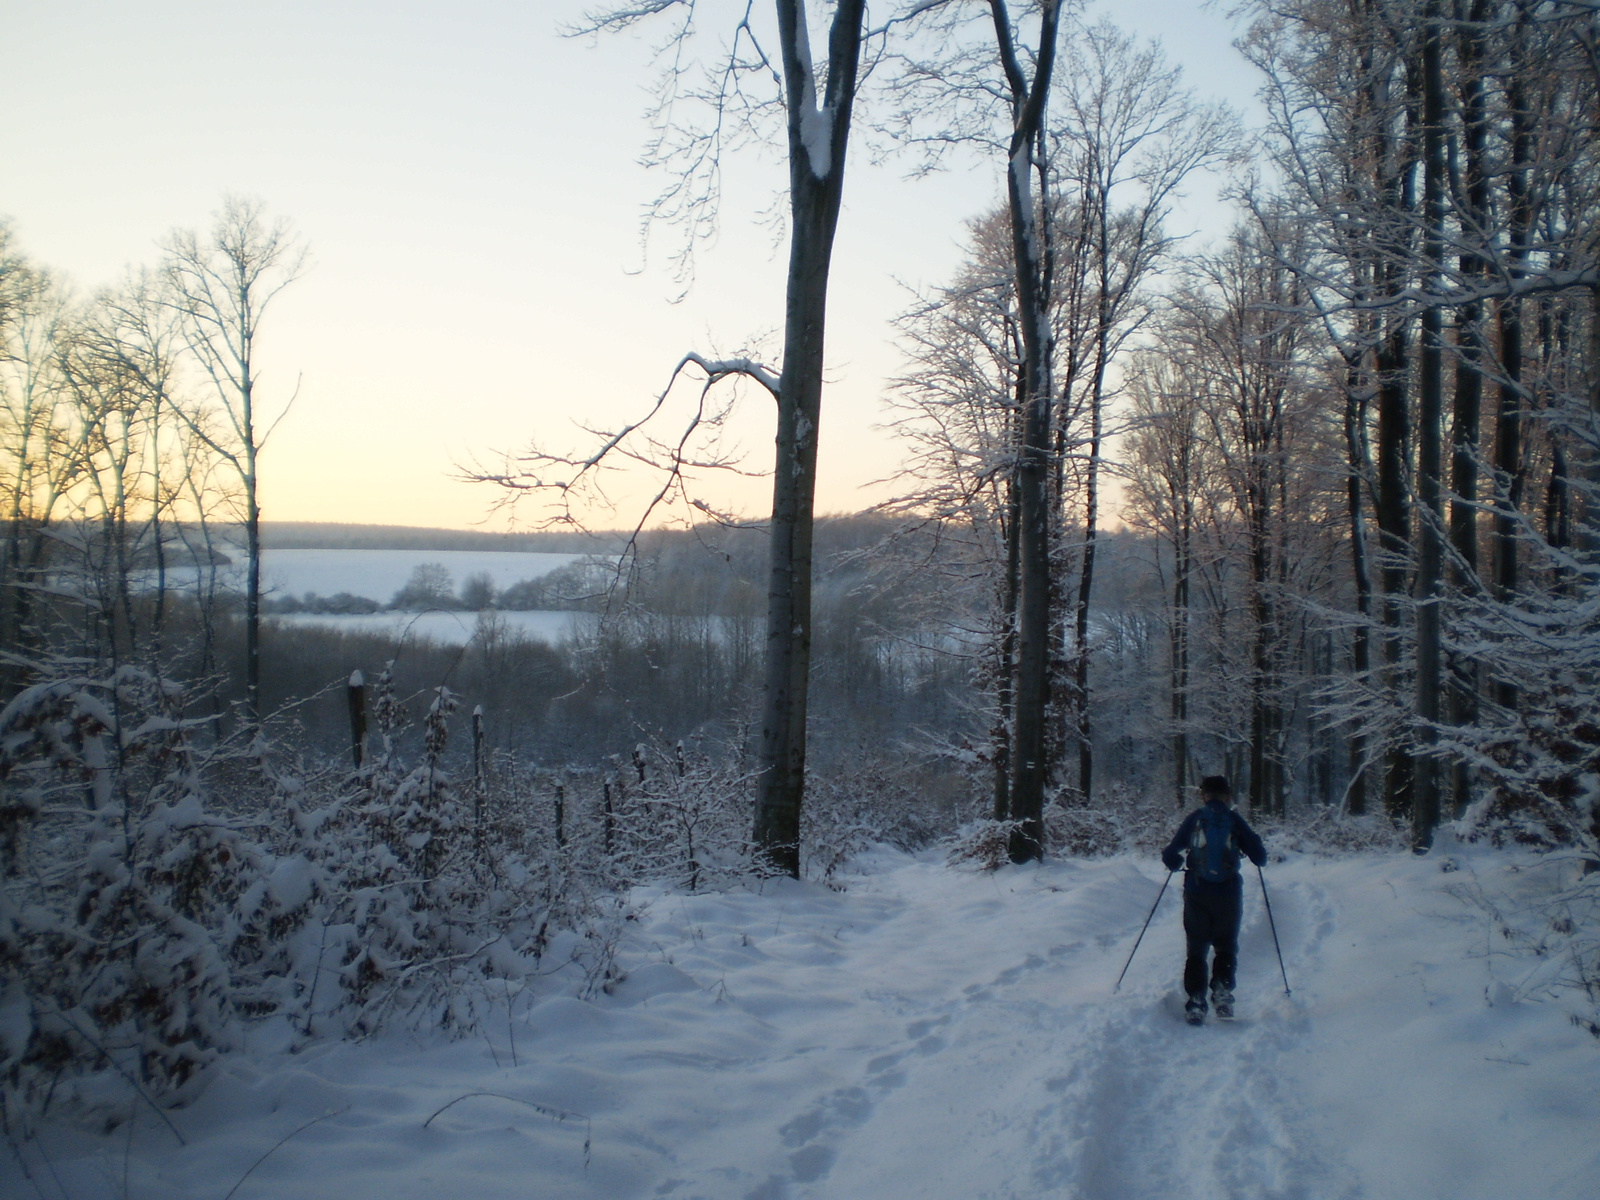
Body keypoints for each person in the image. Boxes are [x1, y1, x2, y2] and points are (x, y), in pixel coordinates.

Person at [1161, 775, 1266, 1024]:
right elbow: (1260, 857)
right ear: (1227, 795)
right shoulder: (1234, 819)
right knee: (1226, 945)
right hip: (1228, 894)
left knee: (1196, 948)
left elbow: (1170, 853)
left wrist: (1176, 862)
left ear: (1203, 795)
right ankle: (1222, 992)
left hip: (1197, 892)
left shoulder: (1195, 818)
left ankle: (1196, 1001)